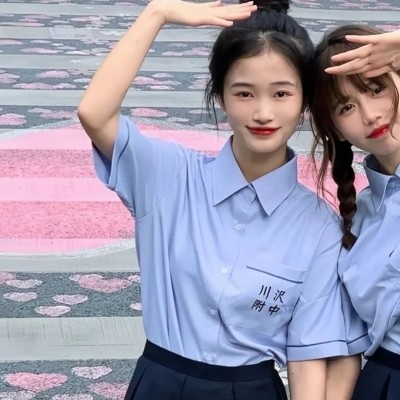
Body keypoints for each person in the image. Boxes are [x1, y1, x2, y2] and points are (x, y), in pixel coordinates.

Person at [78, 0, 349, 399]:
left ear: (305, 101)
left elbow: (308, 353)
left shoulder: (319, 226)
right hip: (159, 385)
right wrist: (156, 14)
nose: (263, 112)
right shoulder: (168, 176)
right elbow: (94, 114)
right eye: (244, 93)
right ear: (220, 96)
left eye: (281, 93)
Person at [311, 24, 400, 400]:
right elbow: (343, 343)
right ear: (335, 129)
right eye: (346, 107)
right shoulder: (357, 219)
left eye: (376, 89)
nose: (370, 115)